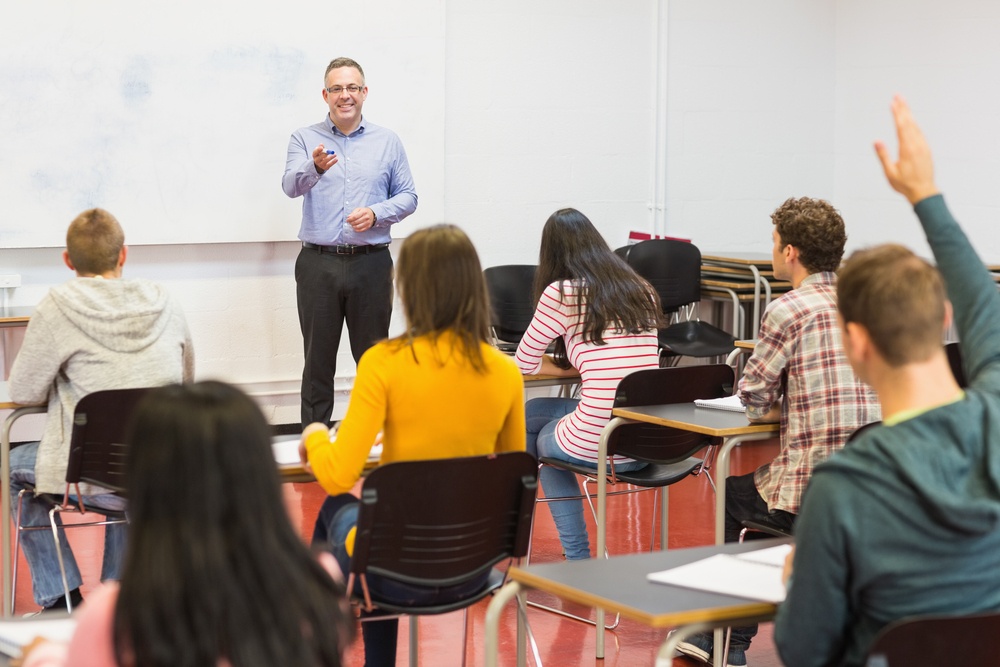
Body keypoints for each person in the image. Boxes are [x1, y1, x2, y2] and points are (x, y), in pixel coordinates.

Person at [775, 97, 1000, 666]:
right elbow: (986, 309)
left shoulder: (842, 488)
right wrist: (926, 195)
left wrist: (797, 581)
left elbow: (803, 651)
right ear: (943, 320)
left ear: (856, 343)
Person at [299, 224, 526, 667]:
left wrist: (314, 434)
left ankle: (318, 645)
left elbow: (338, 475)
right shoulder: (505, 372)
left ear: (408, 288)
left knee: (342, 514)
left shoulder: (383, 363)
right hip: (474, 569)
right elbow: (512, 474)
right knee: (382, 531)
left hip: (394, 570)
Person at [17, 381, 353, 667]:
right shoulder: (321, 585)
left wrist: (39, 657)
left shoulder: (115, 617)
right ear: (261, 472)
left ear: (146, 485)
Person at [677, 197, 880, 666]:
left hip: (816, 486)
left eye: (772, 242)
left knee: (736, 497)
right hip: (872, 486)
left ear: (790, 252)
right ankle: (737, 639)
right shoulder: (864, 304)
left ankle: (726, 640)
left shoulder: (787, 309)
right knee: (766, 498)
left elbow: (754, 396)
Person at [7, 209, 194, 613]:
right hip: (159, 472)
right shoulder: (166, 302)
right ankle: (121, 592)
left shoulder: (57, 306)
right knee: (129, 453)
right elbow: (187, 382)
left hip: (86, 477)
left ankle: (60, 597)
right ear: (123, 254)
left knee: (10, 468)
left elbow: (22, 391)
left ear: (68, 261)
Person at [515, 208, 661, 561]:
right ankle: (522, 530)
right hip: (651, 439)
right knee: (534, 412)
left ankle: (553, 547)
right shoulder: (640, 288)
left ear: (551, 255)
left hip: (603, 444)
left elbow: (524, 363)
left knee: (543, 448)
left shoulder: (561, 292)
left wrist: (564, 363)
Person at [282, 56, 418, 429]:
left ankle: (375, 443)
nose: (345, 95)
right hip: (318, 265)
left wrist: (376, 214)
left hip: (371, 264)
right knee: (317, 363)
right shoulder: (304, 138)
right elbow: (290, 186)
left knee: (374, 361)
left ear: (364, 92)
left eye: (352, 88)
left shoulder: (387, 141)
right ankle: (314, 444)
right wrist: (314, 168)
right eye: (337, 89)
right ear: (325, 95)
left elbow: (408, 196)